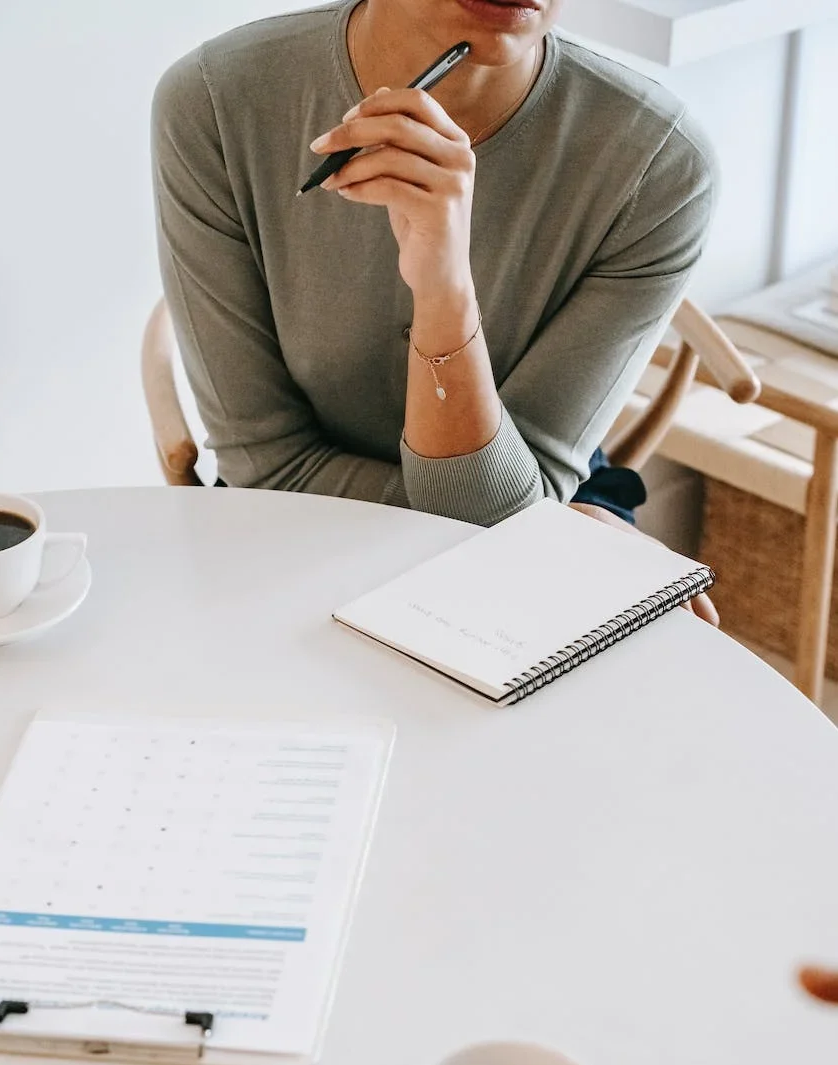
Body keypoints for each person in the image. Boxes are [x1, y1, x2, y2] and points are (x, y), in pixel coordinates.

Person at [152, 0, 718, 623]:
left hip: (527, 519)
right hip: (305, 520)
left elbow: (511, 514)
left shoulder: (659, 163)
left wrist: (445, 289)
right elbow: (267, 462)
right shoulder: (216, 99)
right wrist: (539, 525)